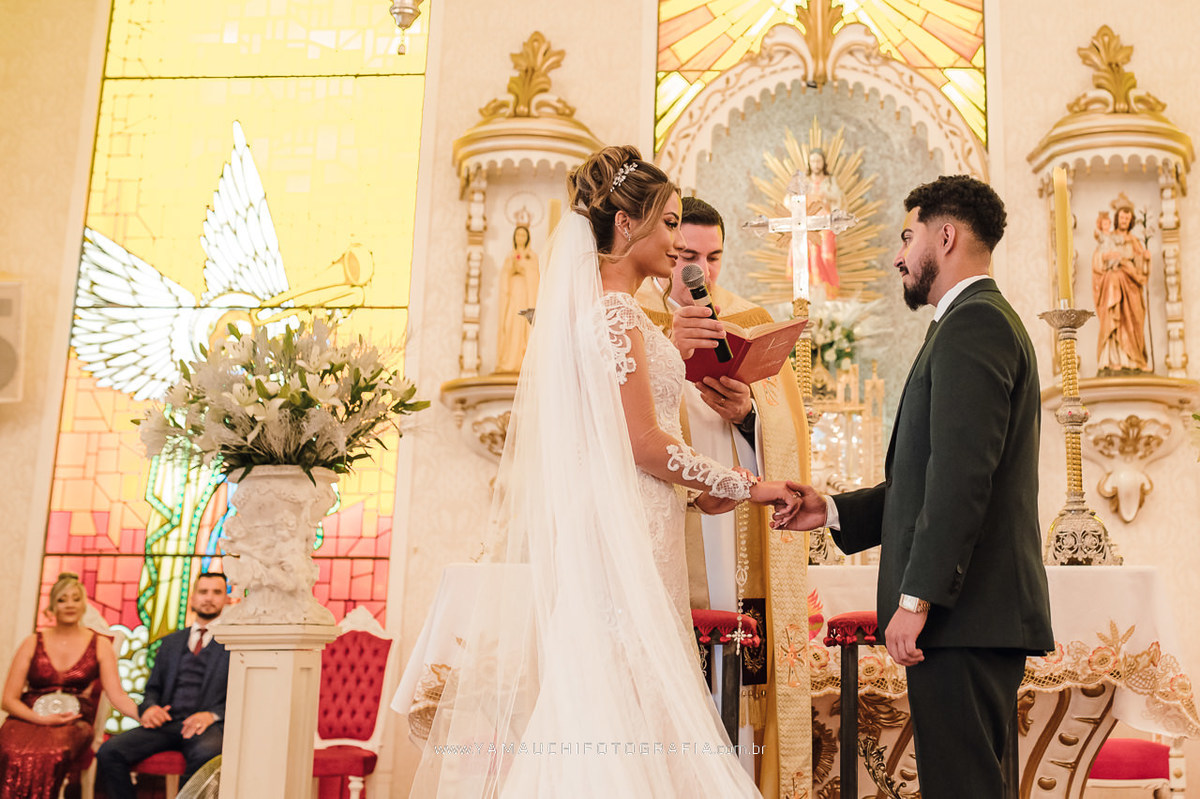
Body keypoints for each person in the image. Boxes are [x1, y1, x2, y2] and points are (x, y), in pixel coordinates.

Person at [410, 145, 802, 797]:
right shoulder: (619, 315)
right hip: (630, 535)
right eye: (669, 223)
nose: (679, 243)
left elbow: (638, 434)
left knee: (620, 702)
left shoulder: (619, 316)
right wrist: (748, 484)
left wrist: (706, 481)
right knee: (629, 697)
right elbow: (645, 445)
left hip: (637, 526)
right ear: (627, 225)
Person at [773, 175, 1054, 798]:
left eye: (908, 236)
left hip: (963, 616)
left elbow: (960, 478)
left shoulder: (974, 325)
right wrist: (833, 509)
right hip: (971, 616)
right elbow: (928, 480)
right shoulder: (973, 323)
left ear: (945, 235)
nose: (900, 256)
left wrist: (917, 597)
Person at [635, 196, 812, 791]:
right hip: (668, 523)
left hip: (738, 532)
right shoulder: (633, 314)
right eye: (686, 255)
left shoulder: (748, 317)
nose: (699, 273)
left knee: (737, 691)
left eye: (712, 258)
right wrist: (672, 346)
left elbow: (788, 431)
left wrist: (748, 415)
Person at [0, 573, 140, 799]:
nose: (69, 605)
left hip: (72, 721)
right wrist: (41, 719)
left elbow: (118, 696)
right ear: (52, 606)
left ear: (84, 604)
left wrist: (145, 714)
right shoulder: (32, 642)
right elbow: (8, 700)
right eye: (62, 599)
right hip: (27, 718)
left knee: (50, 752)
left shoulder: (100, 644)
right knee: (10, 748)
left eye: (76, 598)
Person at [97, 572, 231, 798]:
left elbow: (243, 696)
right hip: (167, 723)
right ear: (192, 598)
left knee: (207, 754)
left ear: (227, 599)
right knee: (110, 751)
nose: (209, 598)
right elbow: (152, 689)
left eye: (217, 592)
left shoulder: (233, 643)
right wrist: (149, 708)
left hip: (206, 727)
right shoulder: (171, 641)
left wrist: (212, 715)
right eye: (203, 592)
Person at [1092, 201, 1150, 372]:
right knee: (1113, 309)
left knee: (1134, 319)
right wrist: (1105, 257)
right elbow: (1097, 260)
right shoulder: (1109, 237)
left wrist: (1145, 258)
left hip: (1131, 287)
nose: (1124, 220)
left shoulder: (1134, 241)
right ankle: (1114, 358)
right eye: (1122, 217)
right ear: (1117, 219)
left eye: (1127, 218)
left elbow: (1141, 270)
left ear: (1131, 220)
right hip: (1114, 283)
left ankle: (1135, 359)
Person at [496, 222, 540, 373]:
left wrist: (524, 268)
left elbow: (535, 276)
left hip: (526, 296)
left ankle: (522, 362)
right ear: (514, 237)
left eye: (523, 235)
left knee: (523, 327)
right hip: (513, 295)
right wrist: (513, 268)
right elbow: (504, 277)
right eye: (518, 234)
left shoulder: (532, 256)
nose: (520, 237)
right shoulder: (510, 256)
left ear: (527, 237)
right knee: (510, 324)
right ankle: (508, 360)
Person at [804, 148, 844, 292]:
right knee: (813, 258)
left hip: (826, 221)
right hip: (810, 224)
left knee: (827, 256)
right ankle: (816, 292)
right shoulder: (804, 181)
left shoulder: (829, 181)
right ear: (809, 163)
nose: (816, 164)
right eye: (813, 161)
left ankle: (830, 290)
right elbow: (791, 200)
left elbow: (838, 197)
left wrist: (824, 193)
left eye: (818, 160)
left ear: (823, 162)